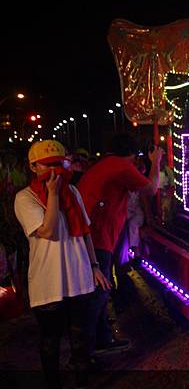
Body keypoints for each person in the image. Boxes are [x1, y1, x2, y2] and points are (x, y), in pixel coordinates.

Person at [14, 140, 110, 389]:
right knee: (51, 340)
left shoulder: (73, 192)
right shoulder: (25, 198)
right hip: (48, 282)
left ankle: (81, 382)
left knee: (81, 337)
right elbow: (47, 230)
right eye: (48, 166)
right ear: (33, 167)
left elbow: (85, 232)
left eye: (59, 164)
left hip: (79, 276)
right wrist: (54, 194)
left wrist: (94, 265)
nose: (55, 172)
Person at [77, 134, 163, 355]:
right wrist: (156, 161)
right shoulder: (120, 166)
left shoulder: (104, 165)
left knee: (98, 291)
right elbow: (151, 189)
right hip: (97, 236)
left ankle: (101, 339)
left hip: (90, 234)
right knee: (99, 293)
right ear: (132, 155)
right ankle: (86, 351)